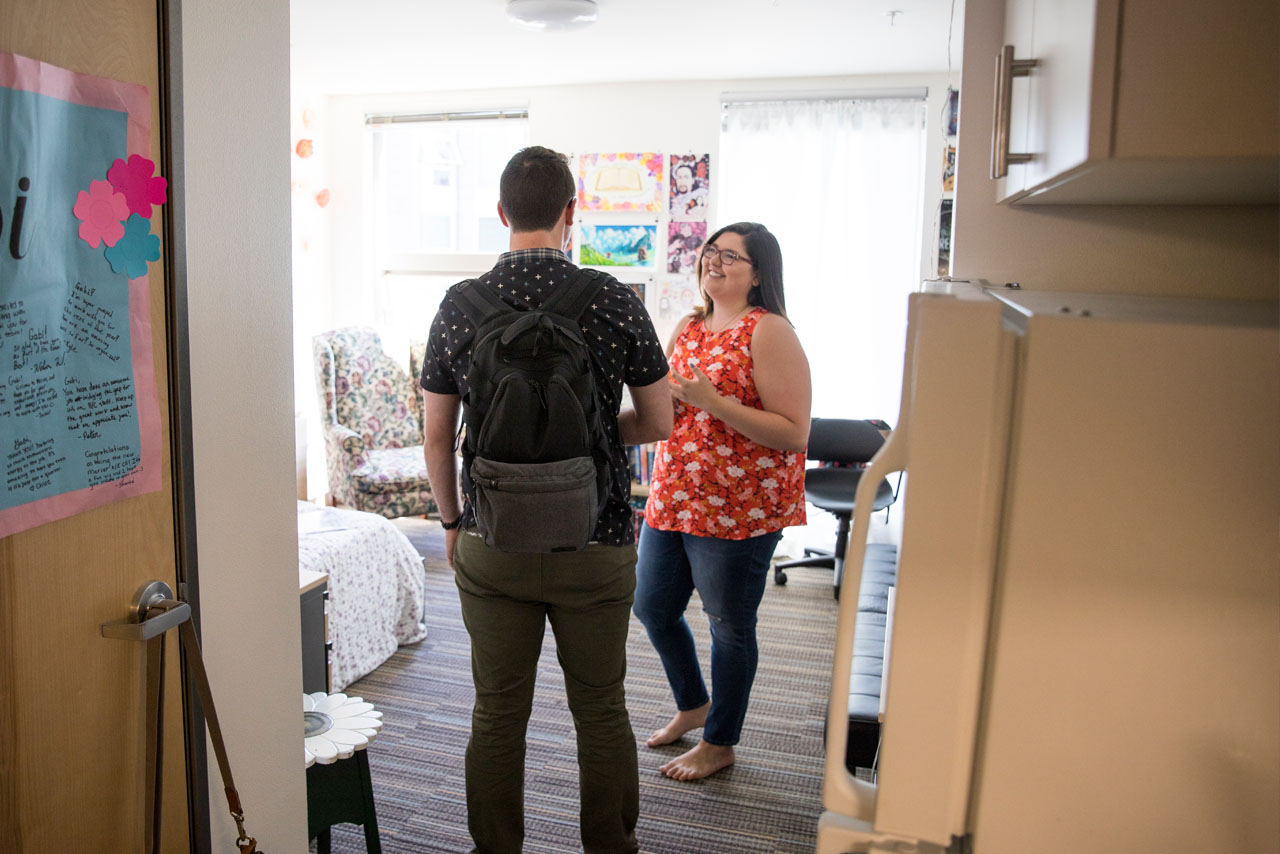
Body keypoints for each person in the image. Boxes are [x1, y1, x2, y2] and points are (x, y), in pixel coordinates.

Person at [420, 146, 673, 854]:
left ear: (501, 214)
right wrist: (596, 435)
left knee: (497, 715)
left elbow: (437, 439)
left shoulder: (457, 306)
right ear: (572, 214)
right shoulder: (616, 299)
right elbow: (658, 423)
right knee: (600, 710)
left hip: (491, 541)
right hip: (597, 544)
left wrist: (450, 521)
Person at [632, 222, 811, 781]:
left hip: (740, 509)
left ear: (758, 275)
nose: (715, 261)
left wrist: (713, 402)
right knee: (653, 607)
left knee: (729, 626)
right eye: (712, 252)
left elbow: (794, 431)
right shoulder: (689, 325)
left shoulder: (770, 330)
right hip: (675, 495)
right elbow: (661, 408)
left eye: (731, 256)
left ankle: (720, 741)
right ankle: (694, 703)